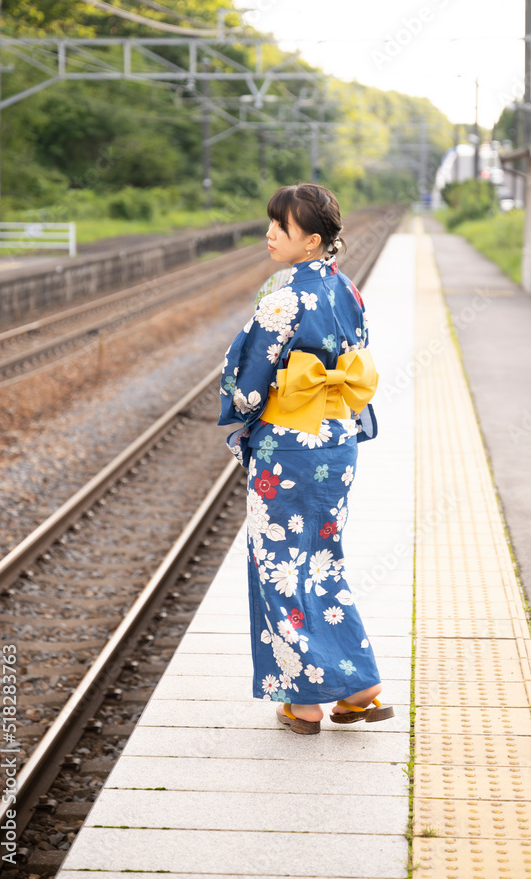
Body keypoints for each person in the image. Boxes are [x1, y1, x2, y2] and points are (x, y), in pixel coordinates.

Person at [218, 183, 393, 735]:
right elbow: (358, 352)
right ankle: (359, 683)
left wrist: (244, 419)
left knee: (278, 566)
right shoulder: (349, 291)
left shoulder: (282, 298)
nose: (270, 234)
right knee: (322, 558)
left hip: (289, 446)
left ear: (312, 240)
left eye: (282, 228)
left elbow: (246, 382)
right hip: (336, 441)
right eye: (271, 223)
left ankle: (306, 700)